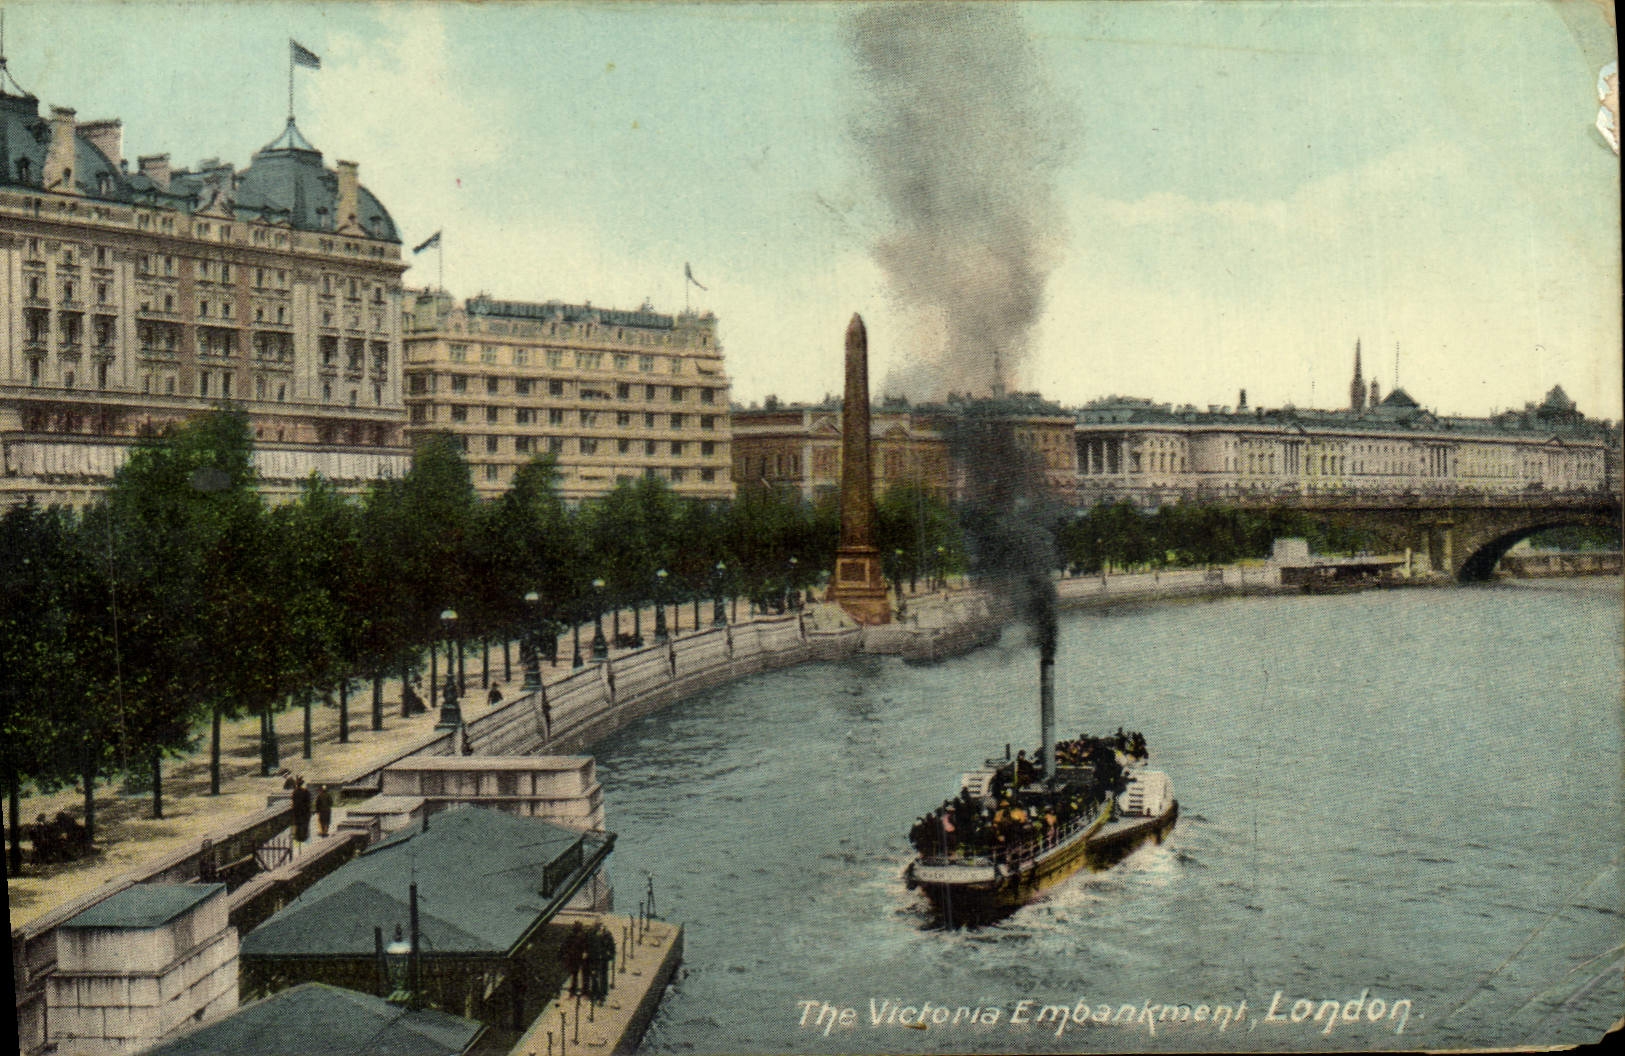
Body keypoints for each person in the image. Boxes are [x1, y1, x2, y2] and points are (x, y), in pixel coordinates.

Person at [564, 921, 586, 996]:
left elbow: (567, 945)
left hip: (575, 957)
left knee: (575, 973)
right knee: (576, 973)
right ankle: (577, 988)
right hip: (576, 957)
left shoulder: (574, 935)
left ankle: (574, 988)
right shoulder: (581, 935)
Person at [290, 776, 312, 843]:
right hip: (304, 811)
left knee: (298, 824)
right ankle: (304, 837)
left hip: (297, 811)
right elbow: (309, 801)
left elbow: (293, 802)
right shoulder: (305, 791)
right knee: (304, 824)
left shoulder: (294, 792)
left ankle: (298, 837)